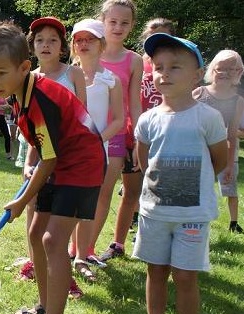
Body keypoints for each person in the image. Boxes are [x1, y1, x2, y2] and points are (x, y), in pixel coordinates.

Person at [0, 20, 106, 314]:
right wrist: (31, 160)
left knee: (52, 239)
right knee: (36, 233)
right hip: (61, 162)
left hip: (82, 167)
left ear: (23, 67)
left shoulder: (42, 98)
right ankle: (46, 306)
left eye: (1, 73)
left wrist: (22, 201)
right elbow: (40, 139)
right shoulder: (19, 93)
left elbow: (50, 157)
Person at [134, 32, 227, 314]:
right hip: (154, 213)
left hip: (192, 216)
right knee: (156, 271)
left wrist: (195, 184)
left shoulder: (209, 117)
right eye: (158, 67)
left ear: (197, 75)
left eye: (175, 67)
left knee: (186, 276)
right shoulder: (147, 120)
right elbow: (144, 161)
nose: (164, 73)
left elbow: (219, 159)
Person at [17, 16, 86, 299]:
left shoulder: (74, 74)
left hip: (68, 155)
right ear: (32, 47)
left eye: (53, 40)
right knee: (35, 207)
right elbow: (29, 125)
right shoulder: (28, 78)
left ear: (62, 47)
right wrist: (28, 162)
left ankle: (62, 272)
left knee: (59, 217)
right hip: (36, 148)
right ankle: (36, 262)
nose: (46, 45)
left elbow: (82, 115)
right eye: (40, 40)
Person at [68, 18, 124, 282]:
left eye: (90, 39)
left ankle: (81, 255)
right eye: (79, 39)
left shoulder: (110, 80)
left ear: (102, 44)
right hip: (68, 150)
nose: (83, 44)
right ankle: (65, 250)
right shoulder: (66, 74)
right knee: (68, 200)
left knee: (89, 203)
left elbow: (118, 120)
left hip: (96, 150)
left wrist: (96, 139)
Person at [96, 0, 144, 263]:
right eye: (112, 21)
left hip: (124, 134)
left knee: (131, 191)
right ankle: (81, 247)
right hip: (96, 135)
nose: (118, 27)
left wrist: (138, 139)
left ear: (132, 26)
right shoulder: (89, 52)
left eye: (124, 23)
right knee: (97, 191)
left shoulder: (134, 60)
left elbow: (134, 102)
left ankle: (118, 243)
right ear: (103, 21)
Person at [121, 18, 176, 243]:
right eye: (151, 36)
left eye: (162, 36)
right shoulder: (137, 62)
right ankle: (127, 233)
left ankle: (155, 231)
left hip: (164, 130)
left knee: (157, 184)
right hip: (135, 130)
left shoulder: (176, 63)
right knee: (133, 185)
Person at [193, 50, 244, 233]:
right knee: (197, 186)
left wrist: (229, 165)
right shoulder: (199, 93)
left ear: (238, 72)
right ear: (212, 69)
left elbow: (232, 135)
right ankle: (194, 220)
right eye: (220, 68)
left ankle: (233, 222)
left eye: (230, 69)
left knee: (229, 187)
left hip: (224, 149)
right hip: (198, 150)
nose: (224, 73)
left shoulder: (238, 101)